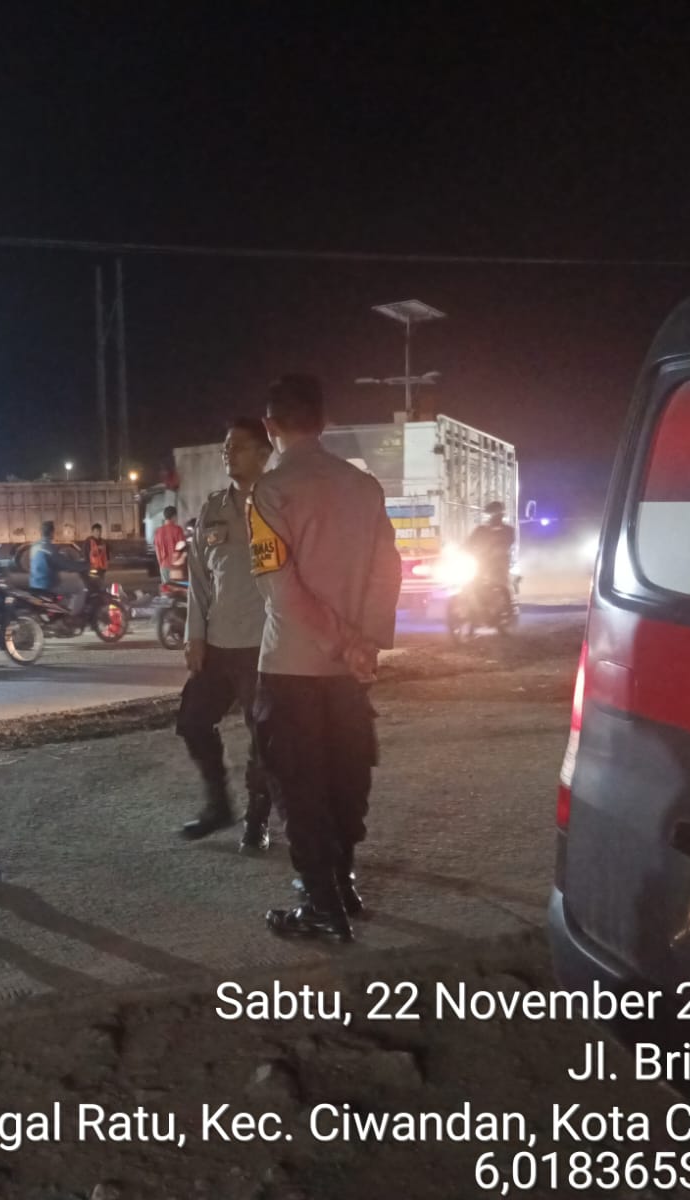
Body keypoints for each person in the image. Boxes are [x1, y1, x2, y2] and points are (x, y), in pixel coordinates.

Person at [248, 375, 402, 943]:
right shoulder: (364, 487)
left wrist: (340, 641)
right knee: (346, 776)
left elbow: (281, 590)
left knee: (299, 785)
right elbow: (389, 570)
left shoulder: (270, 492)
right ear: (325, 422)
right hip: (348, 674)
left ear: (270, 426)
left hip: (291, 667)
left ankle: (320, 905)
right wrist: (365, 643)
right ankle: (344, 882)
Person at [177, 416, 275, 850]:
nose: (228, 454)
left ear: (263, 453)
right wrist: (194, 636)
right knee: (192, 722)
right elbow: (198, 580)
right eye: (225, 447)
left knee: (264, 735)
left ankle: (258, 817)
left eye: (237, 446)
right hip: (218, 644)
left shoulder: (279, 504)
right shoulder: (213, 508)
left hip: (265, 645)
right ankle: (219, 806)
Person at [29, 521, 86, 616]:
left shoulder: (34, 546)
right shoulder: (49, 547)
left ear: (41, 532)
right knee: (79, 587)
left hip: (34, 583)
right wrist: (83, 566)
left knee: (65, 580)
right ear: (52, 533)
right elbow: (64, 564)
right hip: (48, 585)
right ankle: (73, 617)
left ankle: (61, 609)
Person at [465, 501, 515, 595]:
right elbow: (469, 543)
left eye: (497, 513)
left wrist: (496, 550)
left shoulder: (507, 530)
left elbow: (508, 543)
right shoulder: (481, 530)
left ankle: (506, 602)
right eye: (491, 513)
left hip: (499, 565)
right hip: (482, 563)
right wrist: (464, 552)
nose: (494, 516)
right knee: (471, 585)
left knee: (503, 586)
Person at [153, 506, 184, 584]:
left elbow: (157, 549)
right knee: (177, 588)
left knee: (166, 588)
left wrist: (161, 564)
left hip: (164, 565)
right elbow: (182, 548)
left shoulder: (158, 531)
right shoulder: (178, 530)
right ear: (174, 516)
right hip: (176, 566)